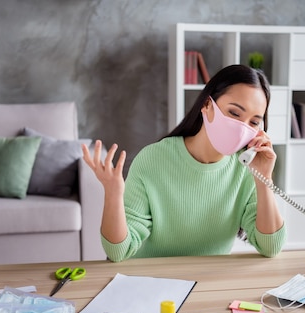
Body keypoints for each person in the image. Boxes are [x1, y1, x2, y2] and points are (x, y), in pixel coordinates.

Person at [82, 64, 286, 262]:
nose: (242, 128)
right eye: (234, 113)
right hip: (150, 282)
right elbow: (118, 252)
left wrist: (264, 179)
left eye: (253, 122)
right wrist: (113, 193)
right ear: (207, 105)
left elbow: (271, 247)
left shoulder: (247, 168)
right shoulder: (153, 159)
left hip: (207, 285)